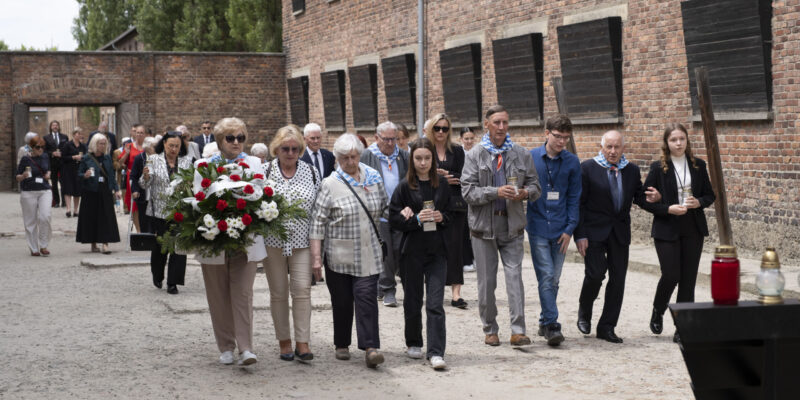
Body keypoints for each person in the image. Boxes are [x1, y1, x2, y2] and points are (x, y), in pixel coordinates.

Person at [461, 105, 541, 347]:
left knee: (515, 278)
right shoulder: (475, 154)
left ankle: (518, 330)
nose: (501, 127)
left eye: (505, 122)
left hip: (512, 226)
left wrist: (525, 193)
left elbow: (536, 187)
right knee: (487, 282)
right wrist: (495, 191)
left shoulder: (521, 154)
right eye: (496, 122)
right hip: (483, 229)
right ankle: (490, 328)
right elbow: (467, 192)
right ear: (487, 124)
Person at [574, 130, 659, 344]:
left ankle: (607, 326)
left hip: (619, 232)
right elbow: (579, 204)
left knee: (618, 280)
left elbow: (639, 197)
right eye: (609, 147)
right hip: (593, 231)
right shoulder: (587, 168)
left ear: (623, 148)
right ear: (601, 147)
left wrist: (656, 198)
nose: (613, 151)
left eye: (617, 147)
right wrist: (580, 234)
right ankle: (585, 310)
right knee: (595, 274)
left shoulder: (630, 170)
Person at [309, 133, 387, 368]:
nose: (351, 162)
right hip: (340, 254)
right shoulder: (330, 184)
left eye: (354, 157)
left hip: (369, 251)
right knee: (342, 301)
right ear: (337, 159)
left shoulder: (373, 178)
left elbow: (385, 208)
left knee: (366, 299)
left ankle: (371, 347)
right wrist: (316, 259)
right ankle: (342, 343)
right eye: (345, 158)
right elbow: (317, 223)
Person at [195, 117, 265, 366]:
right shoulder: (204, 165)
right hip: (214, 238)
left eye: (241, 138)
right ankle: (225, 346)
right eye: (230, 138)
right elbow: (199, 199)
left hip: (246, 237)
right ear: (219, 140)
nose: (236, 143)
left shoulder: (255, 162)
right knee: (217, 293)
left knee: (243, 293)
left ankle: (246, 347)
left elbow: (261, 193)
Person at [641, 123, 715, 344]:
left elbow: (710, 195)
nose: (679, 143)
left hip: (693, 227)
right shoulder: (658, 168)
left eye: (682, 139)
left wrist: (698, 202)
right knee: (671, 274)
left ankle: (682, 328)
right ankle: (658, 310)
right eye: (674, 140)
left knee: (688, 279)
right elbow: (644, 201)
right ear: (667, 143)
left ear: (687, 141)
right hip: (667, 228)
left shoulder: (699, 166)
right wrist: (666, 208)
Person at [389, 138, 451, 370]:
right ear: (411, 160)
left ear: (433, 159)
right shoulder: (404, 187)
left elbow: (452, 213)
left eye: (427, 158)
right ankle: (414, 341)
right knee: (413, 301)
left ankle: (436, 351)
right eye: (418, 158)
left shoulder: (442, 184)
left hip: (437, 252)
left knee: (435, 303)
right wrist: (414, 219)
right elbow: (394, 220)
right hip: (411, 251)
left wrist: (441, 217)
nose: (423, 163)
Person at [262, 125, 321, 362]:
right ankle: (284, 341)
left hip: (302, 242)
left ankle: (303, 342)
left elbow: (318, 210)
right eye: (285, 148)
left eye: (295, 149)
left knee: (302, 291)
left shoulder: (312, 172)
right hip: (273, 241)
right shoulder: (265, 172)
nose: (290, 153)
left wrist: (318, 249)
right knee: (278, 292)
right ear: (276, 149)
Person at [526, 115, 581, 347]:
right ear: (546, 133)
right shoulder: (530, 158)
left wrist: (570, 229)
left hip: (561, 228)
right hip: (537, 226)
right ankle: (552, 324)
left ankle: (542, 320)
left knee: (554, 279)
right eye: (557, 136)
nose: (561, 142)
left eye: (565, 138)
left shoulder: (572, 162)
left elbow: (574, 197)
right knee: (547, 275)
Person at [360, 121, 408, 307]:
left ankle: (382, 283)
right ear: (376, 137)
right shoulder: (366, 156)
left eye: (393, 139)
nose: (390, 143)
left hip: (401, 211)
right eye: (386, 139)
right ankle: (389, 289)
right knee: (385, 251)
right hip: (378, 213)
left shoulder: (403, 156)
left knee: (399, 250)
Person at [140, 131, 192, 295]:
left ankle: (173, 282)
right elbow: (144, 184)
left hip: (180, 211)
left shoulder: (186, 161)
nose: (174, 149)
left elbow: (191, 183)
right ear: (164, 144)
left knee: (178, 247)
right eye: (171, 146)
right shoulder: (154, 160)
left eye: (177, 146)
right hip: (159, 212)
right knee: (160, 246)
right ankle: (158, 274)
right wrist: (146, 176)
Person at [426, 113, 468, 309]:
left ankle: (456, 294)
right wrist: (438, 177)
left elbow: (464, 175)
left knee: (455, 247)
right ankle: (433, 289)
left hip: (454, 205)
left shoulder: (457, 151)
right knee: (432, 246)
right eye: (437, 128)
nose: (441, 132)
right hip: (431, 203)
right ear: (431, 129)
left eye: (444, 128)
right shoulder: (424, 149)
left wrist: (448, 176)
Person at [76, 134, 121, 254]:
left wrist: (116, 190)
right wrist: (84, 175)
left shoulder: (107, 158)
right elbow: (79, 174)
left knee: (106, 217)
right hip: (90, 191)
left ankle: (105, 243)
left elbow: (111, 175)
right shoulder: (86, 158)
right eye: (100, 143)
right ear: (94, 144)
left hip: (104, 190)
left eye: (104, 143)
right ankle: (93, 243)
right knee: (91, 217)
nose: (103, 146)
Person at [16, 136, 52, 256]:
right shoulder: (25, 159)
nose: (40, 149)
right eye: (38, 147)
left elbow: (49, 169)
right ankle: (33, 247)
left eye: (42, 147)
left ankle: (44, 245)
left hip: (44, 190)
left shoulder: (45, 156)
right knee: (30, 221)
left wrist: (48, 174)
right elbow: (17, 176)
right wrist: (23, 176)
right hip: (28, 191)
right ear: (32, 147)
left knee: (45, 217)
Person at [120, 124, 146, 228]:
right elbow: (120, 162)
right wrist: (126, 153)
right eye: (137, 132)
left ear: (145, 134)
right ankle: (138, 229)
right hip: (132, 177)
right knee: (134, 205)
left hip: (145, 177)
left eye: (141, 132)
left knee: (144, 203)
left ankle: (144, 227)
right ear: (134, 134)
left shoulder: (147, 146)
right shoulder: (129, 146)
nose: (139, 134)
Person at [129, 137, 158, 234]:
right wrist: (135, 190)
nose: (157, 148)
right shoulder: (139, 158)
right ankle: (145, 238)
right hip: (143, 193)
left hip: (156, 193)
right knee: (144, 218)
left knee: (155, 219)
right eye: (154, 146)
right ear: (148, 147)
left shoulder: (159, 158)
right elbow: (133, 176)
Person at [459, 126, 477, 273]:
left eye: (471, 138)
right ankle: (466, 258)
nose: (469, 141)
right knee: (464, 227)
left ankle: (477, 257)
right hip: (463, 193)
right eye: (466, 139)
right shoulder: (459, 153)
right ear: (461, 139)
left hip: (477, 192)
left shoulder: (479, 152)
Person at [61, 127, 87, 218]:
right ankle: (68, 209)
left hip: (79, 169)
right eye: (77, 133)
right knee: (68, 189)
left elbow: (87, 157)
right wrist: (73, 157)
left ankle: (76, 210)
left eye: (80, 134)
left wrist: (82, 158)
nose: (79, 135)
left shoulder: (83, 146)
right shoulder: (67, 145)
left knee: (77, 190)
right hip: (68, 169)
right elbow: (63, 157)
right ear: (73, 134)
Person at [44, 120, 68, 208]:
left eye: (56, 125)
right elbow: (44, 151)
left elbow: (67, 148)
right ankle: (56, 201)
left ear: (59, 126)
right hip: (52, 163)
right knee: (54, 183)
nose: (55, 127)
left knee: (63, 182)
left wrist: (62, 153)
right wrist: (52, 153)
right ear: (51, 127)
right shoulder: (46, 137)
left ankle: (64, 201)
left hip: (62, 163)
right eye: (53, 125)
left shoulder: (64, 137)